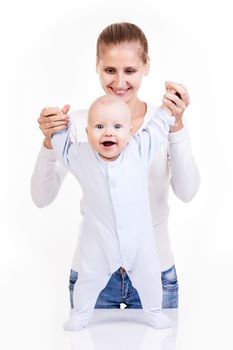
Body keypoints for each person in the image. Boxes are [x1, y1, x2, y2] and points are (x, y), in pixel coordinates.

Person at [31, 22, 200, 310]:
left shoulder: (161, 123)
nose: (119, 82)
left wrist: (177, 126)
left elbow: (187, 192)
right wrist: (49, 142)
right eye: (110, 70)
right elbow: (41, 198)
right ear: (97, 66)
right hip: (92, 273)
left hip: (155, 270)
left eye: (130, 70)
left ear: (146, 66)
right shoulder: (79, 124)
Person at [51, 95, 176, 330]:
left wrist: (169, 107)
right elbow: (63, 150)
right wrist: (59, 128)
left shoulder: (139, 149)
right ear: (87, 132)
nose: (108, 133)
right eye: (99, 127)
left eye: (117, 127)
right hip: (99, 242)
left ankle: (154, 311)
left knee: (150, 276)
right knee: (88, 279)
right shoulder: (81, 156)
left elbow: (158, 127)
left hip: (139, 242)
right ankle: (81, 314)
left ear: (130, 132)